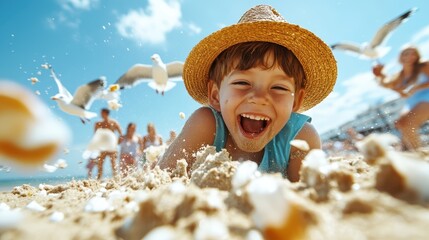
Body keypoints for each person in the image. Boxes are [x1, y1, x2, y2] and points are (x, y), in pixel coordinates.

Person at [157, 5, 337, 182]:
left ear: (296, 101)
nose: (259, 98)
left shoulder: (300, 140)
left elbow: (311, 198)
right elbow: (160, 181)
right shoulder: (206, 125)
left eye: (279, 88)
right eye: (242, 83)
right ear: (215, 95)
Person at [372, 46, 429, 150]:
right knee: (401, 123)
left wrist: (417, 87)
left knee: (408, 124)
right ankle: (413, 149)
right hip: (412, 102)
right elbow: (387, 84)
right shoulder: (399, 76)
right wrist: (379, 74)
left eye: (413, 54)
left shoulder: (424, 65)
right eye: (406, 53)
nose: (410, 56)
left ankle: (418, 153)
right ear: (400, 57)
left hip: (426, 97)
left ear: (417, 56)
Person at [94, 108, 122, 180]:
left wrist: (117, 142)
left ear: (106, 113)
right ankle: (99, 180)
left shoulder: (114, 122)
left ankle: (116, 179)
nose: (101, 114)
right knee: (100, 164)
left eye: (102, 113)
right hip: (102, 146)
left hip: (112, 146)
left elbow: (121, 134)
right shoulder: (98, 124)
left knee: (113, 163)